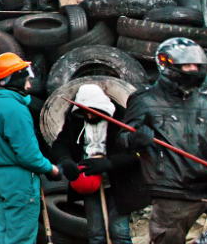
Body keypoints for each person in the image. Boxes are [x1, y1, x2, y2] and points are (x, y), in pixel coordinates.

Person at [119, 38, 207, 244]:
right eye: (187, 65)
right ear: (168, 66)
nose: (193, 70)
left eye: (196, 65)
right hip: (173, 194)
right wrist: (136, 138)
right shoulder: (144, 100)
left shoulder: (204, 103)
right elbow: (121, 141)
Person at [0, 53, 61, 243]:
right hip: (18, 180)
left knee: (5, 233)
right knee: (20, 237)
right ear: (15, 78)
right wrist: (51, 169)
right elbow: (28, 155)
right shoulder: (16, 110)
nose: (29, 84)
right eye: (26, 77)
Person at [49, 84, 145, 244]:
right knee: (95, 233)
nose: (89, 115)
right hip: (88, 180)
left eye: (93, 111)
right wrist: (65, 160)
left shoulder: (122, 118)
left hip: (119, 182)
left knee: (119, 231)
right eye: (84, 112)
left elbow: (136, 154)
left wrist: (109, 163)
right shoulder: (75, 121)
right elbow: (60, 144)